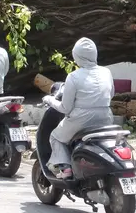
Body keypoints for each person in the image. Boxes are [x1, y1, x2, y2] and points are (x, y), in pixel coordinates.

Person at [43, 38, 114, 179]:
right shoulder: (106, 72)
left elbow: (65, 108)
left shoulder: (73, 77)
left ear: (76, 56)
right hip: (106, 117)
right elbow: (111, 94)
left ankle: (66, 167)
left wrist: (49, 100)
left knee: (56, 137)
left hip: (81, 120)